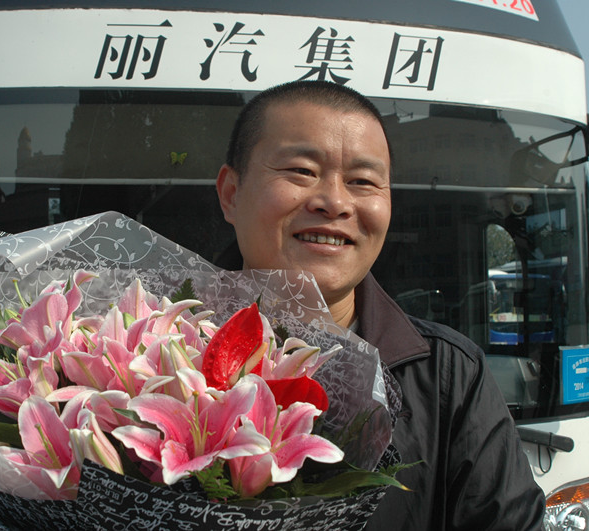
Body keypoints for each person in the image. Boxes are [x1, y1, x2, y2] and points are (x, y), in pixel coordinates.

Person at [215, 80, 546, 529]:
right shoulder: (146, 354)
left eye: (362, 181)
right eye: (301, 170)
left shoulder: (449, 376)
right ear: (231, 193)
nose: (335, 202)